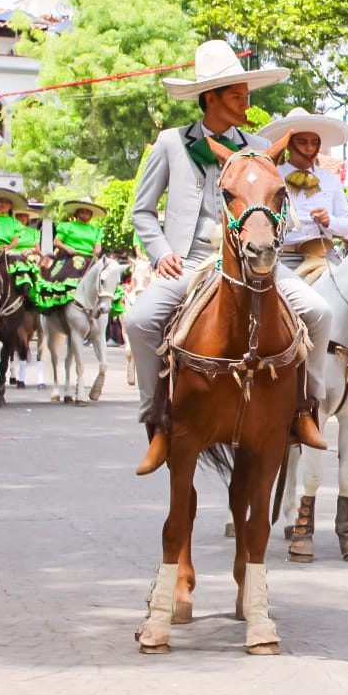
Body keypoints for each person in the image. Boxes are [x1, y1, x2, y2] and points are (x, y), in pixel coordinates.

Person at [126, 39, 330, 476]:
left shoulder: (257, 146)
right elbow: (141, 211)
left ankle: (302, 408)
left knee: (318, 311)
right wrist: (161, 253)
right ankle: (158, 421)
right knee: (139, 321)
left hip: (254, 260)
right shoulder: (171, 144)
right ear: (210, 97)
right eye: (237, 95)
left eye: (245, 94)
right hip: (192, 261)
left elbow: (281, 209)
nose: (246, 102)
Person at [256, 107, 348, 276]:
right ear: (289, 144)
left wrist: (328, 220)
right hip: (284, 256)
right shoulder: (271, 176)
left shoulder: (331, 180)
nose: (309, 148)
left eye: (314, 143)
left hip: (325, 255)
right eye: (302, 142)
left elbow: (347, 227)